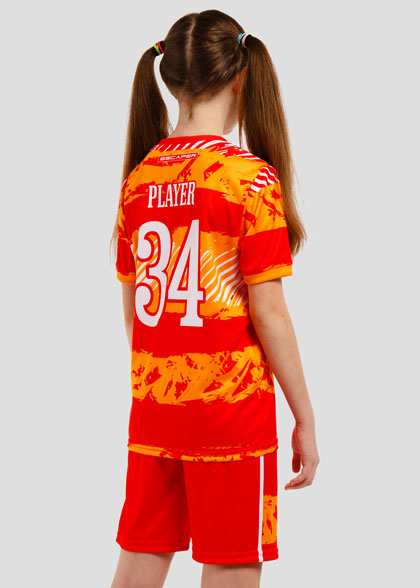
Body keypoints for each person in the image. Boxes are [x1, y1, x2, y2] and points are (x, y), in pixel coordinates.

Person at [109, 9, 320, 588]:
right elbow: (270, 313)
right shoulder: (249, 181)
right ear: (239, 76)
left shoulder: (138, 182)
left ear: (170, 79)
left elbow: (133, 314)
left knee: (141, 558)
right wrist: (304, 418)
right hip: (231, 414)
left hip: (155, 408)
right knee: (231, 563)